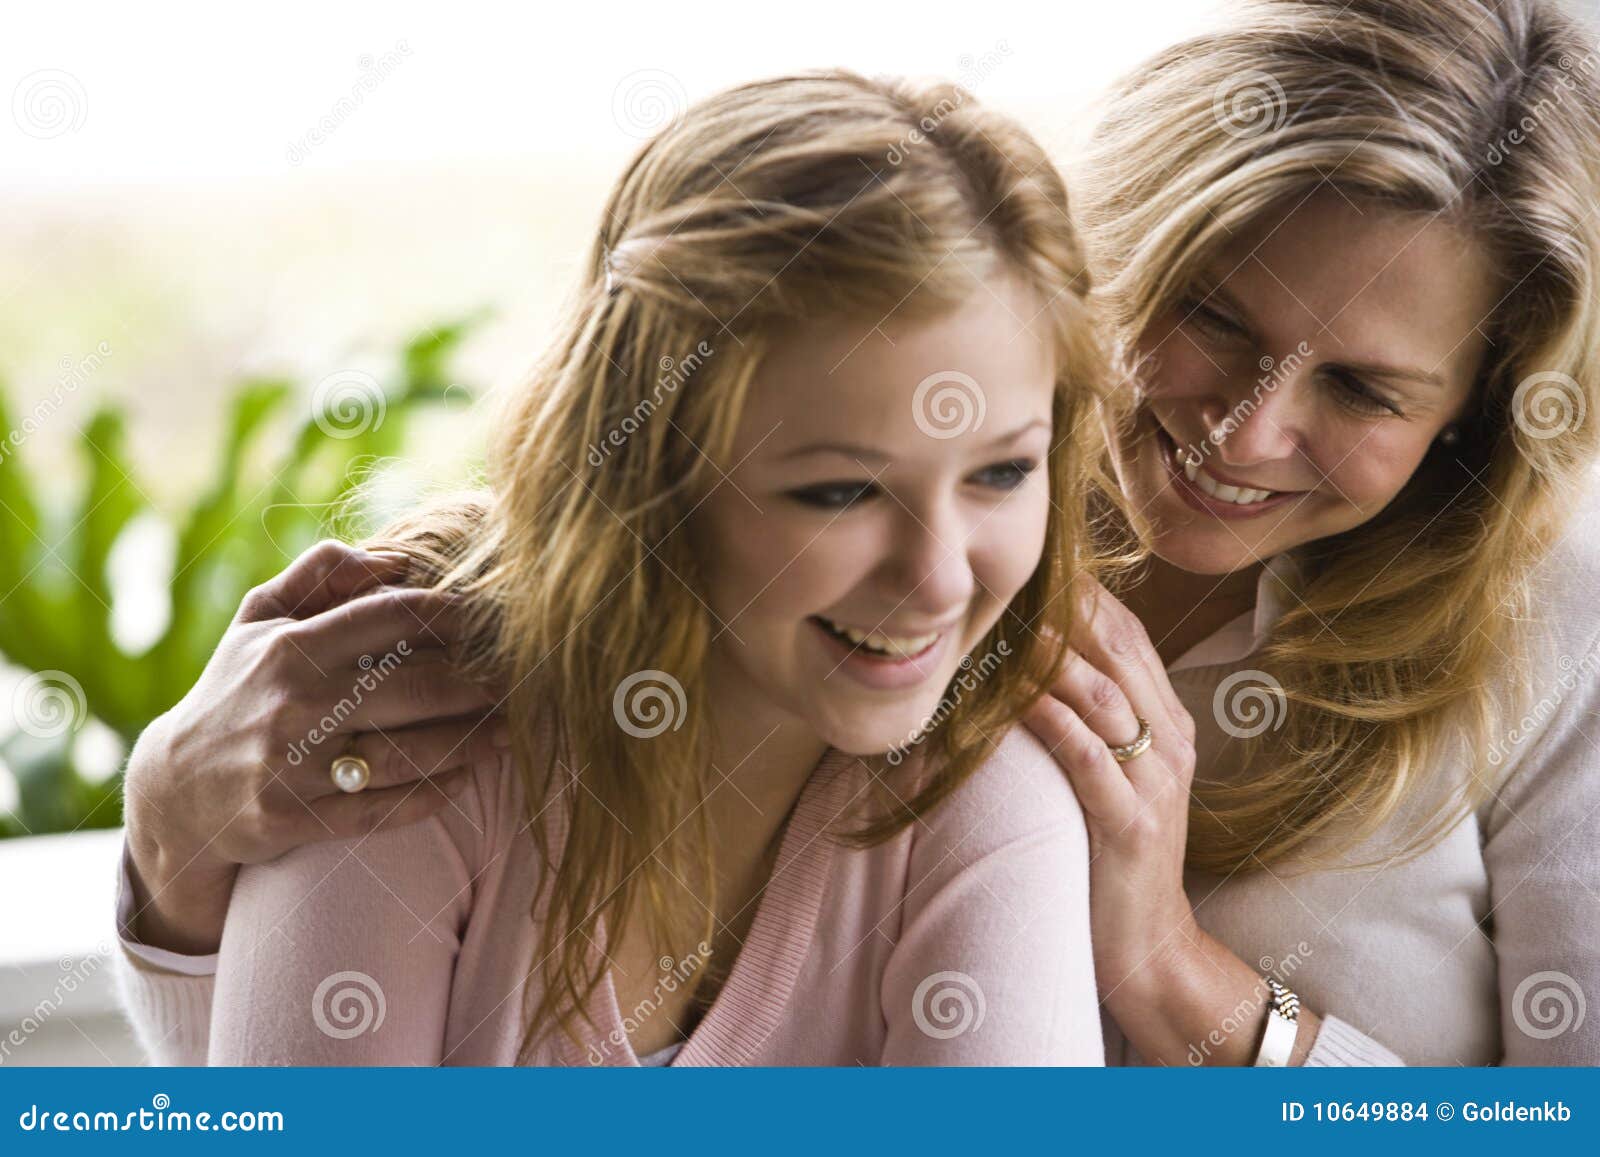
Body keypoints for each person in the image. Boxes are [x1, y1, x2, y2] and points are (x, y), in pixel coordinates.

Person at [112, 70, 1117, 1065]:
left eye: (1001, 470)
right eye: (839, 491)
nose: (939, 580)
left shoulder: (988, 803)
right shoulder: (408, 736)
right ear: (650, 466)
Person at [1022, 0, 1600, 1065]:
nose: (1245, 432)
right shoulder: (930, 484)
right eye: (1215, 316)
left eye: (1361, 389)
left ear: (1473, 411)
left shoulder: (1566, 614)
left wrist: (1167, 969)